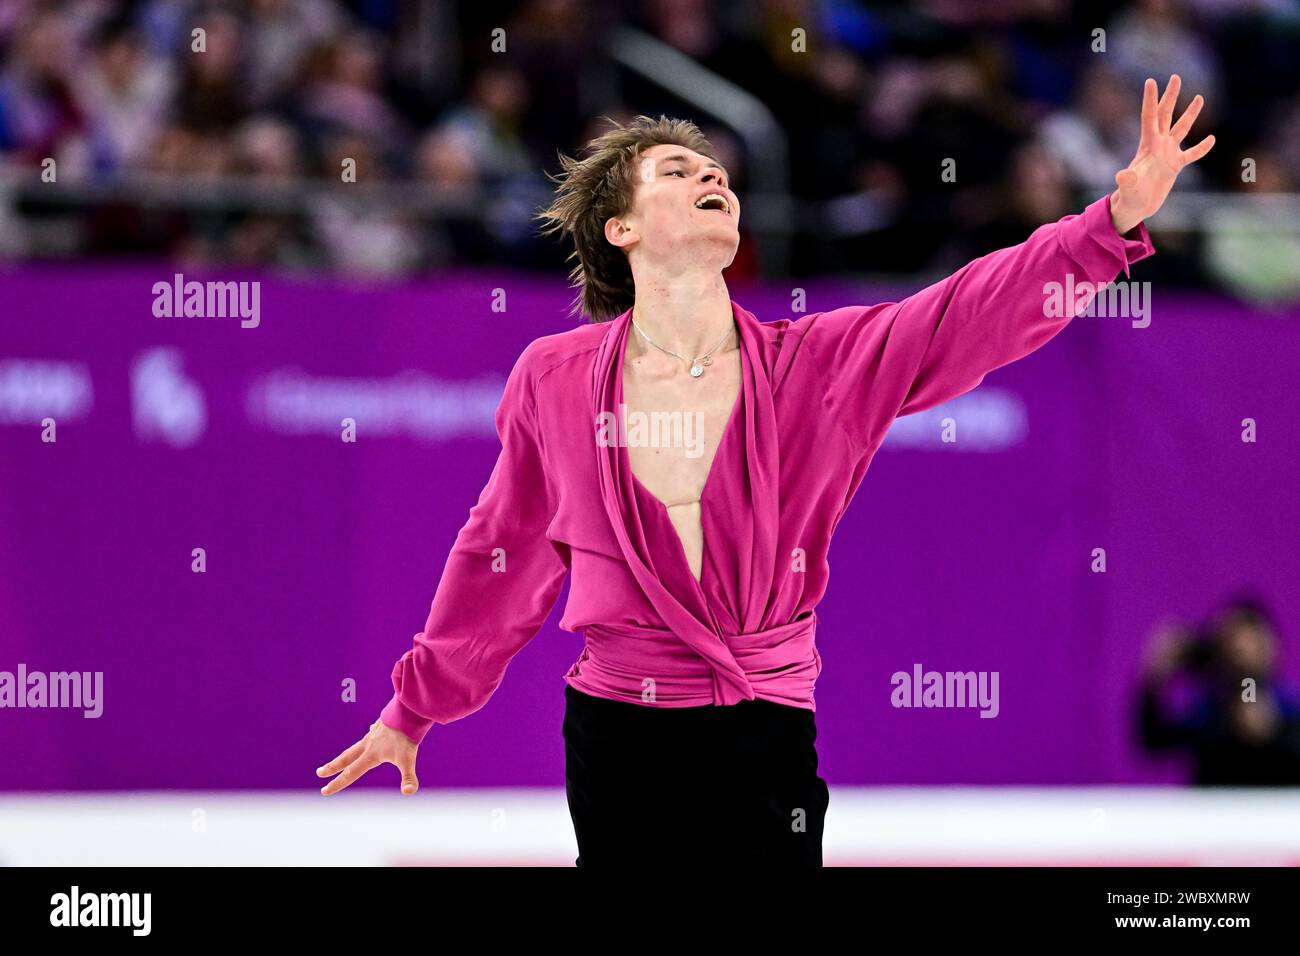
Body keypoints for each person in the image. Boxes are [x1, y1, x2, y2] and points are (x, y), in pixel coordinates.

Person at [318, 75, 1215, 866]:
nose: (711, 176)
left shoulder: (816, 364)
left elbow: (966, 314)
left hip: (765, 732)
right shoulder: (552, 377)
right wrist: (415, 706)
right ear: (620, 227)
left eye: (715, 172)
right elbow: (501, 551)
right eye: (677, 171)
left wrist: (1108, 225)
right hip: (617, 735)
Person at [1139, 596, 1300, 786]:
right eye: (1227, 641)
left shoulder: (1290, 706)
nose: (1237, 651)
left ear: (1269, 645)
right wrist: (1154, 681)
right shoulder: (1208, 708)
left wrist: (1275, 733)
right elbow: (1154, 741)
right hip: (1212, 811)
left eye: (1247, 642)